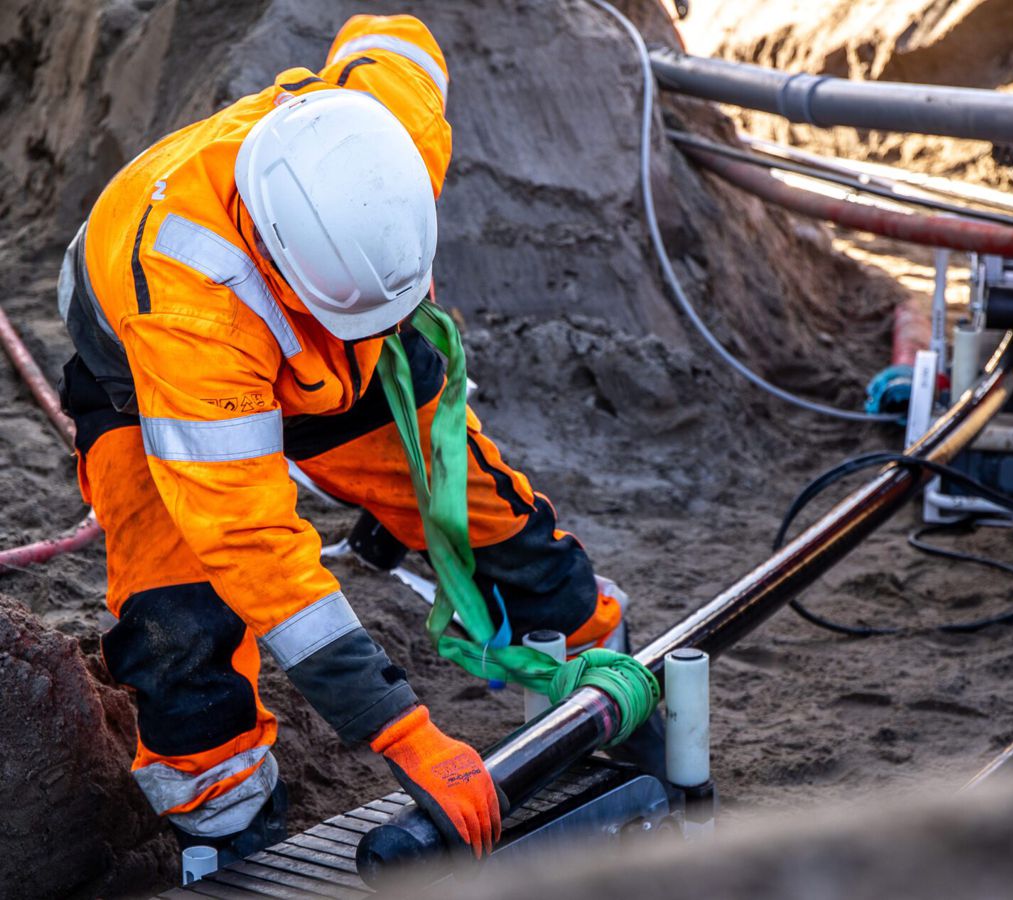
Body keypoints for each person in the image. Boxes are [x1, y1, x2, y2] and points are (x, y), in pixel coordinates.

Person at [56, 14, 627, 862]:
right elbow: (258, 549)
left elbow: (392, 36)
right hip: (147, 386)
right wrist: (403, 735)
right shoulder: (188, 303)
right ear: (281, 268)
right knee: (180, 622)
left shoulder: (384, 136)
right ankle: (223, 820)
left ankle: (596, 659)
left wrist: (372, 330)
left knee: (476, 508)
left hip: (348, 345)